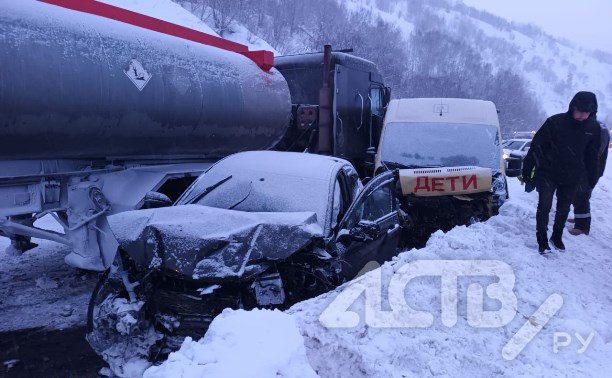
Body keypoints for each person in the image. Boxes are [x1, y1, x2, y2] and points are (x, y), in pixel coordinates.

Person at [521, 91, 601, 254]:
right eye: (580, 111)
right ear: (573, 107)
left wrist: (591, 179)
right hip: (548, 173)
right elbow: (536, 147)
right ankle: (542, 240)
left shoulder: (593, 128)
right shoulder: (555, 122)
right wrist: (528, 173)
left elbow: (592, 157)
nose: (582, 115)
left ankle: (556, 236)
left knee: (563, 209)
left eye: (587, 113)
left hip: (572, 177)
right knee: (544, 206)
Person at [568, 122, 610, 235]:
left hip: (591, 170)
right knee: (576, 194)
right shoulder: (589, 126)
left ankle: (582, 226)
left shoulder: (600, 129)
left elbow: (596, 152)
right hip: (583, 168)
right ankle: (579, 218)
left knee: (581, 195)